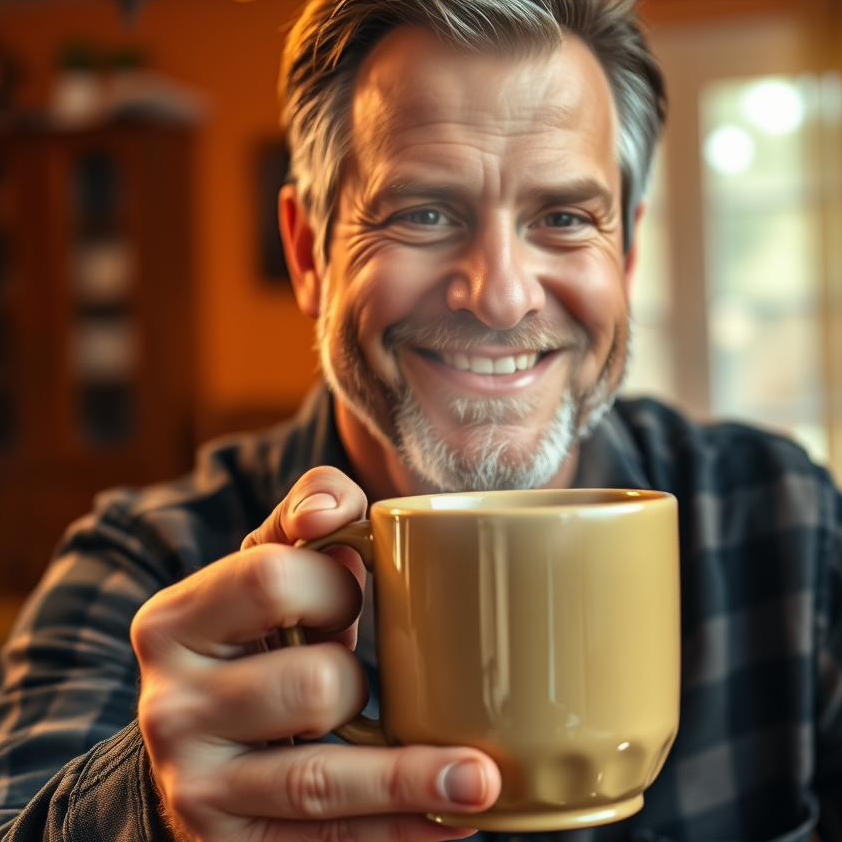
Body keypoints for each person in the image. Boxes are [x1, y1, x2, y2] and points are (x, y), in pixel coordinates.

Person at [1, 0, 840, 840]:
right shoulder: (141, 571)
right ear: (308, 255)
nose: (504, 295)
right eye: (422, 214)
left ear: (625, 257)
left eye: (564, 218)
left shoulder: (787, 519)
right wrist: (151, 812)